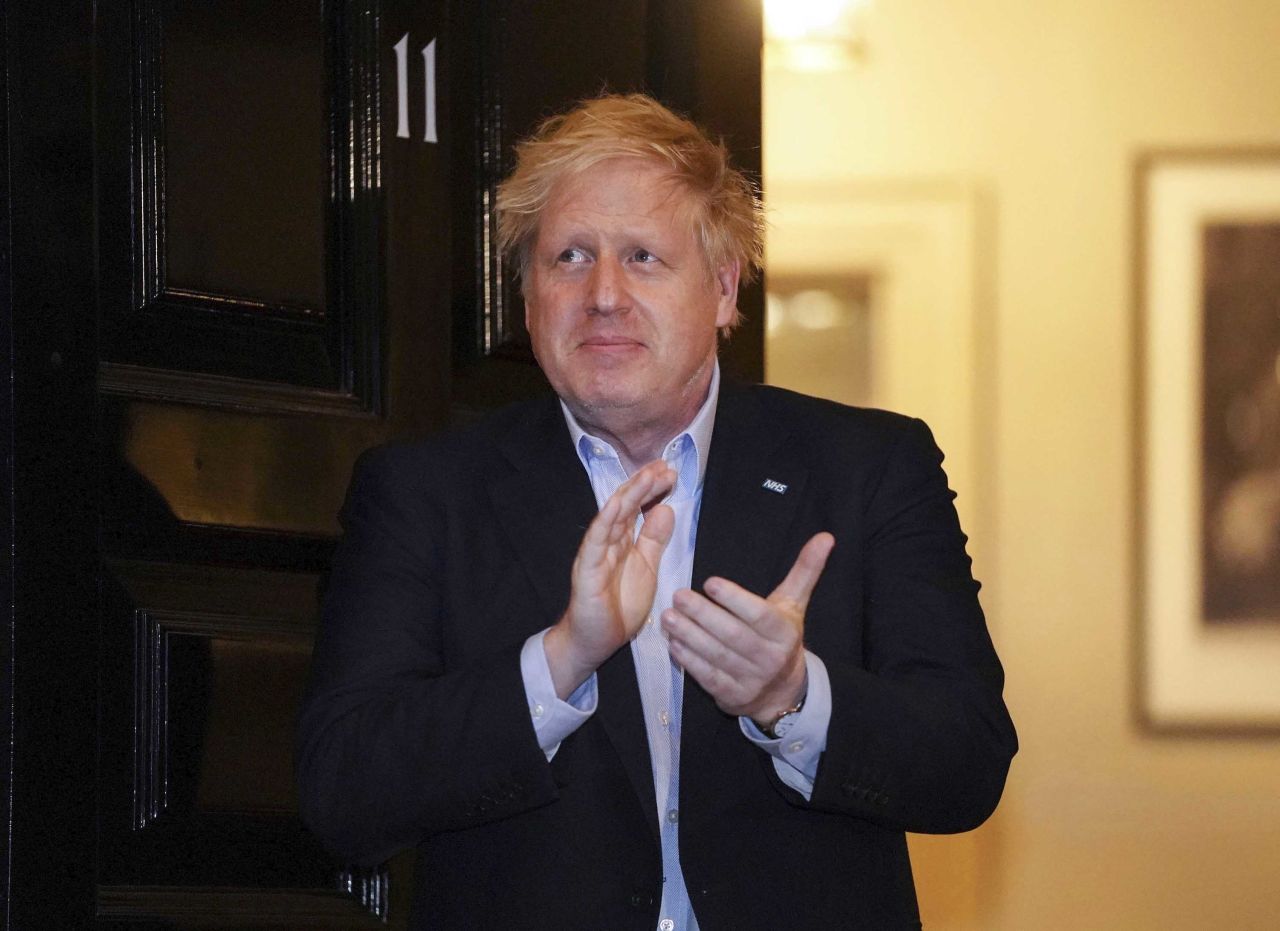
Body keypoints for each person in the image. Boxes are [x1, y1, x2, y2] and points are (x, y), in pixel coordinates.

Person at [297, 93, 1016, 931]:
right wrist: (560, 661)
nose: (602, 294)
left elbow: (968, 759)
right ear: (527, 298)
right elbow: (342, 791)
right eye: (568, 257)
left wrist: (792, 696)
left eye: (642, 256)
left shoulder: (869, 469)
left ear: (721, 288)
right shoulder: (424, 493)